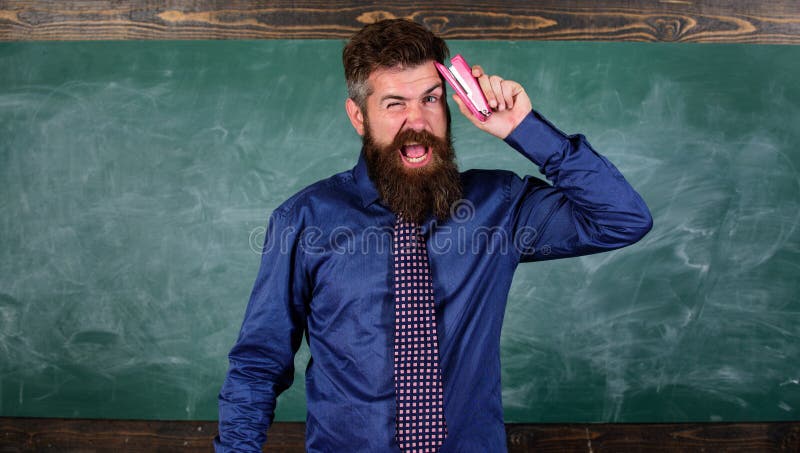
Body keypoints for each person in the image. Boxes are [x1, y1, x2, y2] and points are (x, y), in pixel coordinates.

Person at [214, 18, 652, 453]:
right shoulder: (304, 219)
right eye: (394, 104)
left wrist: (524, 127)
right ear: (358, 116)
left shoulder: (500, 206)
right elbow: (258, 364)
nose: (417, 120)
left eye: (431, 98)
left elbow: (622, 219)